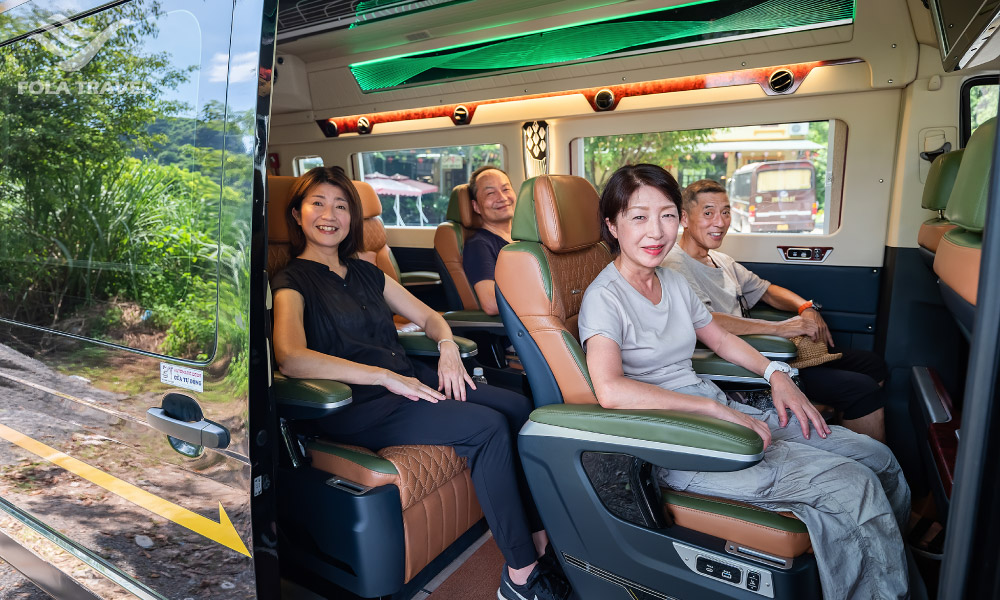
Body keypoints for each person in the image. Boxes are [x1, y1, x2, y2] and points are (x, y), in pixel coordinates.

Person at [578, 164, 909, 600]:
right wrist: (715, 409)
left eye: (667, 215)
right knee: (853, 484)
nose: (655, 231)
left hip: (719, 410)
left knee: (876, 457)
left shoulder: (671, 280)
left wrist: (778, 376)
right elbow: (610, 389)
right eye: (638, 217)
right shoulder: (604, 297)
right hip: (674, 437)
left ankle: (892, 570)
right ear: (613, 226)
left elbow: (721, 339)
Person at [271, 167, 569, 600]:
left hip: (408, 381)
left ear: (352, 218)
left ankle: (539, 537)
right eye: (318, 203)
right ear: (297, 215)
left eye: (341, 206)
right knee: (486, 427)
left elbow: (430, 317)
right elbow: (291, 358)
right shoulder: (291, 281)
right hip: (359, 405)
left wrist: (447, 345)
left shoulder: (367, 272)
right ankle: (521, 574)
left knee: (518, 407)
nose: (329, 215)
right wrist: (383, 376)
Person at [661, 178, 888, 442]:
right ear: (685, 219)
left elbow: (766, 290)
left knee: (873, 365)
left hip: (762, 348)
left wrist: (805, 307)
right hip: (740, 364)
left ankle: (847, 433)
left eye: (725, 212)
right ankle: (867, 457)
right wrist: (780, 329)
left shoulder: (720, 259)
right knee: (862, 390)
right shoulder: (676, 265)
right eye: (709, 213)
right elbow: (709, 322)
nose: (720, 222)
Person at [463, 165, 517, 315]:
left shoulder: (527, 238)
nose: (502, 198)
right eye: (490, 193)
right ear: (476, 206)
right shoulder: (479, 246)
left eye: (506, 189)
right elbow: (491, 304)